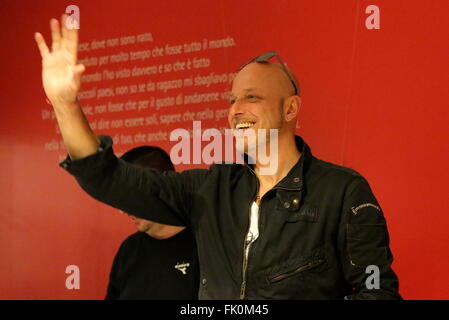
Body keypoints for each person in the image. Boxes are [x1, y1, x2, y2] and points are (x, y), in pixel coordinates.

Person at [35, 15, 401, 299]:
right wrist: (65, 104)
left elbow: (377, 292)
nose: (236, 110)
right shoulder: (209, 188)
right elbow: (107, 177)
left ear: (291, 108)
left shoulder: (343, 192)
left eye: (252, 97)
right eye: (231, 100)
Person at [105, 146, 199, 300]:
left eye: (131, 196)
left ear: (163, 184)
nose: (123, 210)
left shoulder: (207, 244)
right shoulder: (129, 249)